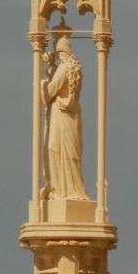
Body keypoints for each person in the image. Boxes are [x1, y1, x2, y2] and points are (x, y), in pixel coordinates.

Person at [41, 29, 90, 200]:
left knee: (55, 150)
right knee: (71, 155)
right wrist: (51, 66)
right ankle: (67, 189)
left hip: (60, 118)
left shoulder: (63, 69)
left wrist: (42, 80)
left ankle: (61, 191)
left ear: (60, 51)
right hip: (72, 117)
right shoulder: (75, 68)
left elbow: (48, 93)